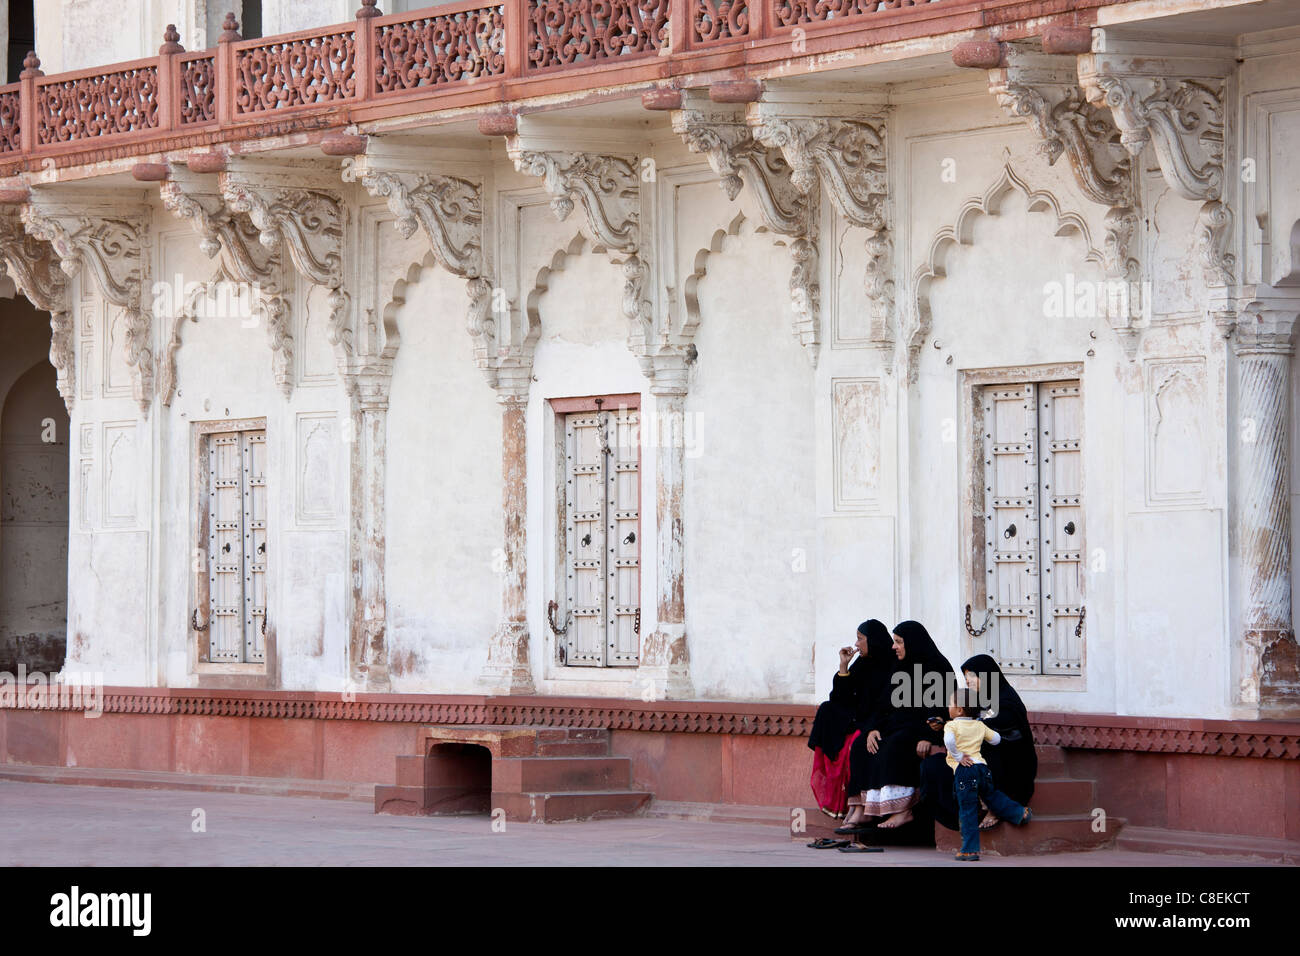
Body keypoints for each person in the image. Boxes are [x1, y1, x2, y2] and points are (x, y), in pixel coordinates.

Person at [847, 620, 954, 830]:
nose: (893, 647)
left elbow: (943, 712)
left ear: (912, 643)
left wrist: (929, 737)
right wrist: (873, 729)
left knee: (895, 745)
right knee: (861, 744)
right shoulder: (900, 667)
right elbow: (883, 704)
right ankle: (863, 810)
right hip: (895, 725)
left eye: (898, 642)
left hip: (920, 729)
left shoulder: (938, 667)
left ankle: (902, 811)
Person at [919, 652, 1038, 831]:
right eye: (967, 678)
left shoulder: (1006, 700)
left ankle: (996, 807)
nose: (968, 682)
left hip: (1010, 768)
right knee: (933, 766)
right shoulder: (978, 701)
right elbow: (968, 723)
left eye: (973, 676)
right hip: (976, 761)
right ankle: (964, 813)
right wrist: (945, 724)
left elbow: (991, 727)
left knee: (988, 753)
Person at [808, 620, 893, 819]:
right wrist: (843, 667)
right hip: (857, 718)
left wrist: (872, 726)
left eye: (860, 639)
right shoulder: (862, 662)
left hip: (876, 721)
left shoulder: (890, 665)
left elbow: (885, 704)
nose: (855, 644)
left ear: (872, 641)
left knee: (853, 745)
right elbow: (840, 698)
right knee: (827, 709)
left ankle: (857, 806)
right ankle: (838, 804)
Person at [944, 687, 1032, 860]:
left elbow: (948, 740)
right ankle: (1020, 813)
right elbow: (996, 739)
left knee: (967, 809)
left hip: (965, 771)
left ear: (959, 709)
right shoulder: (979, 724)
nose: (948, 707)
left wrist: (958, 756)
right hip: (982, 769)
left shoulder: (952, 725)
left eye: (950, 704)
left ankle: (969, 850)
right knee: (992, 796)